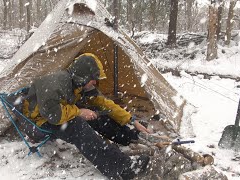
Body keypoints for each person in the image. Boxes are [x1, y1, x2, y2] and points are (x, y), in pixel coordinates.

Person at [19, 53, 151, 179]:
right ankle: (122, 168)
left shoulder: (78, 84)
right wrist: (79, 112)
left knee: (95, 113)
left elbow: (103, 103)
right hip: (37, 122)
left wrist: (131, 119)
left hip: (54, 113)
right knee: (77, 125)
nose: (95, 82)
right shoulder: (55, 83)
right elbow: (53, 114)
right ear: (84, 75)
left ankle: (129, 136)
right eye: (93, 79)